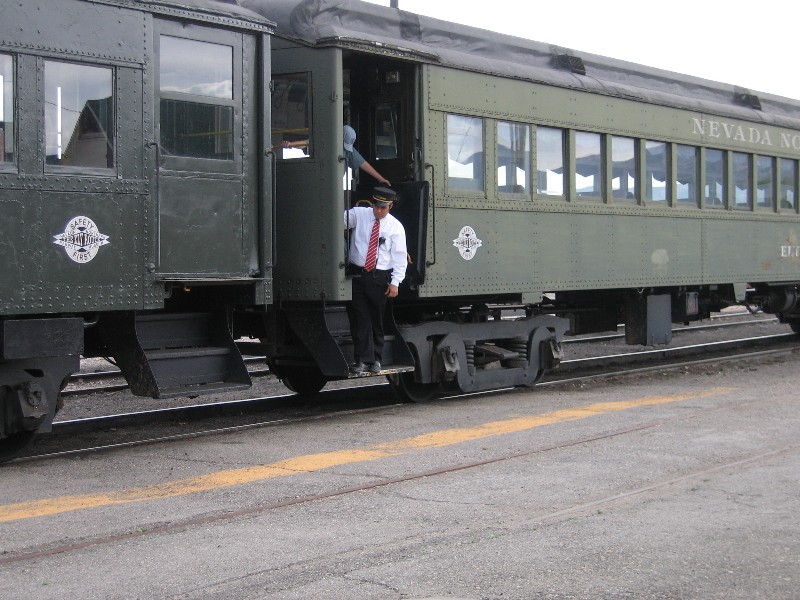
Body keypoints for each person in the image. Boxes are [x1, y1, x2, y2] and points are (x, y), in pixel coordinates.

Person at [344, 187, 407, 374]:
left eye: (383, 208)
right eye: (376, 207)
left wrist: (395, 282)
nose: (378, 211)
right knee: (359, 318)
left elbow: (400, 256)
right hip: (357, 274)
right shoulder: (359, 215)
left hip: (379, 277)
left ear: (390, 207)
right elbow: (336, 219)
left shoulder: (395, 227)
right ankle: (361, 360)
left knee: (377, 319)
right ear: (372, 204)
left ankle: (376, 359)